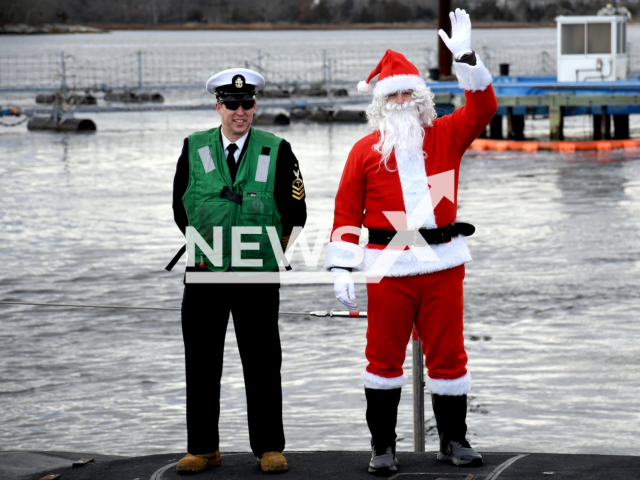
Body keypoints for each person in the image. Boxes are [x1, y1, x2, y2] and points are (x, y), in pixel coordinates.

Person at [324, 9, 497, 475]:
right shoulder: (363, 152)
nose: (401, 100)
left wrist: (465, 59)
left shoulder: (447, 135)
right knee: (382, 357)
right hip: (388, 268)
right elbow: (346, 214)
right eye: (393, 94)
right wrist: (342, 266)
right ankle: (383, 446)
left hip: (442, 265)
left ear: (422, 99)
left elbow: (483, 109)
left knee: (449, 355)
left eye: (409, 92)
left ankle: (453, 440)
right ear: (382, 104)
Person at [170, 68, 307, 474]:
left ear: (255, 106)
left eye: (247, 104)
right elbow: (180, 206)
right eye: (231, 104)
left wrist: (266, 254)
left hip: (256, 275)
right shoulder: (194, 147)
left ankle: (268, 447)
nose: (240, 111)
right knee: (201, 360)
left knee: (263, 361)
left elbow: (296, 212)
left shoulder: (277, 149)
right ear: (218, 106)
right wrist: (209, 246)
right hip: (204, 272)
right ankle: (203, 448)